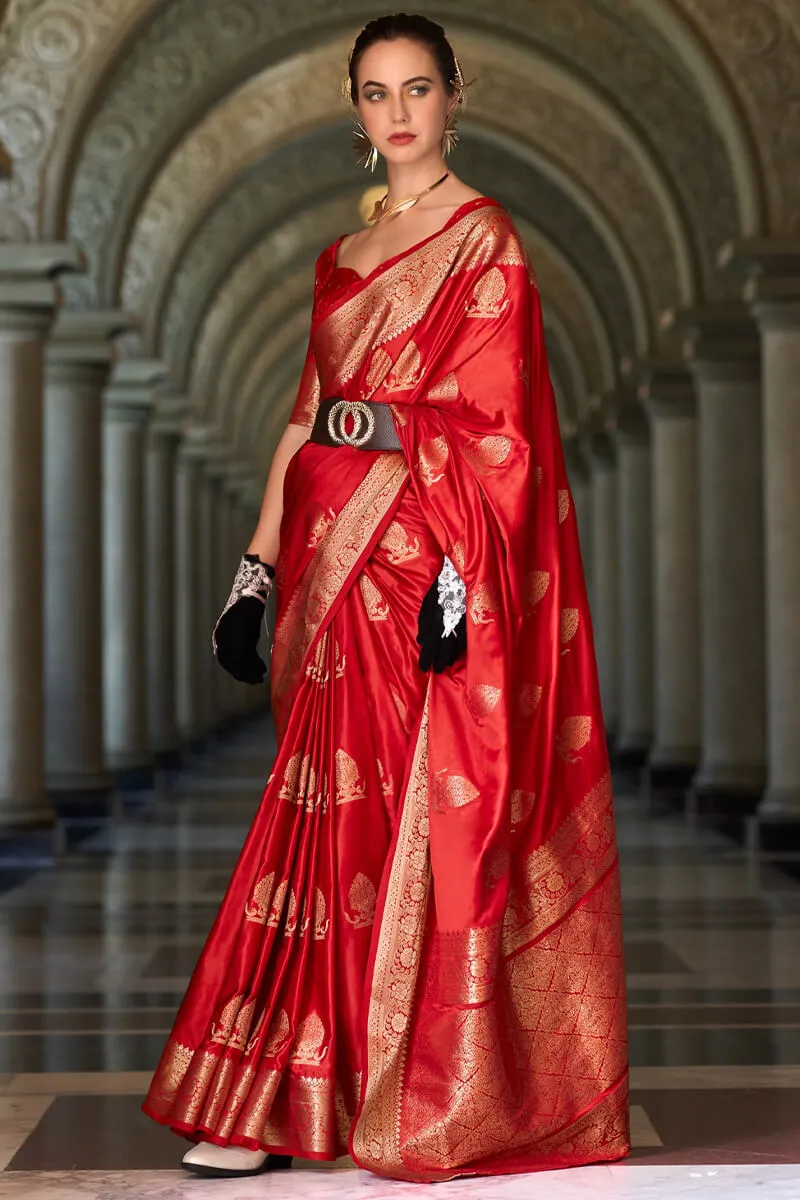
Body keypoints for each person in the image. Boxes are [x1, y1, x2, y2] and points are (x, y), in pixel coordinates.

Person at [142, 12, 630, 1183]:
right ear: (352, 109)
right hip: (324, 561)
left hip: (420, 564)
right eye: (375, 92)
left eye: (417, 88)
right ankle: (274, 1094)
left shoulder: (484, 243)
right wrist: (255, 572)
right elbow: (305, 418)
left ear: (455, 96)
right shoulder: (340, 261)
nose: (398, 111)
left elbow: (496, 434)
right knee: (312, 817)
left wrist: (458, 577)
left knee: (396, 826)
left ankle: (392, 1092)